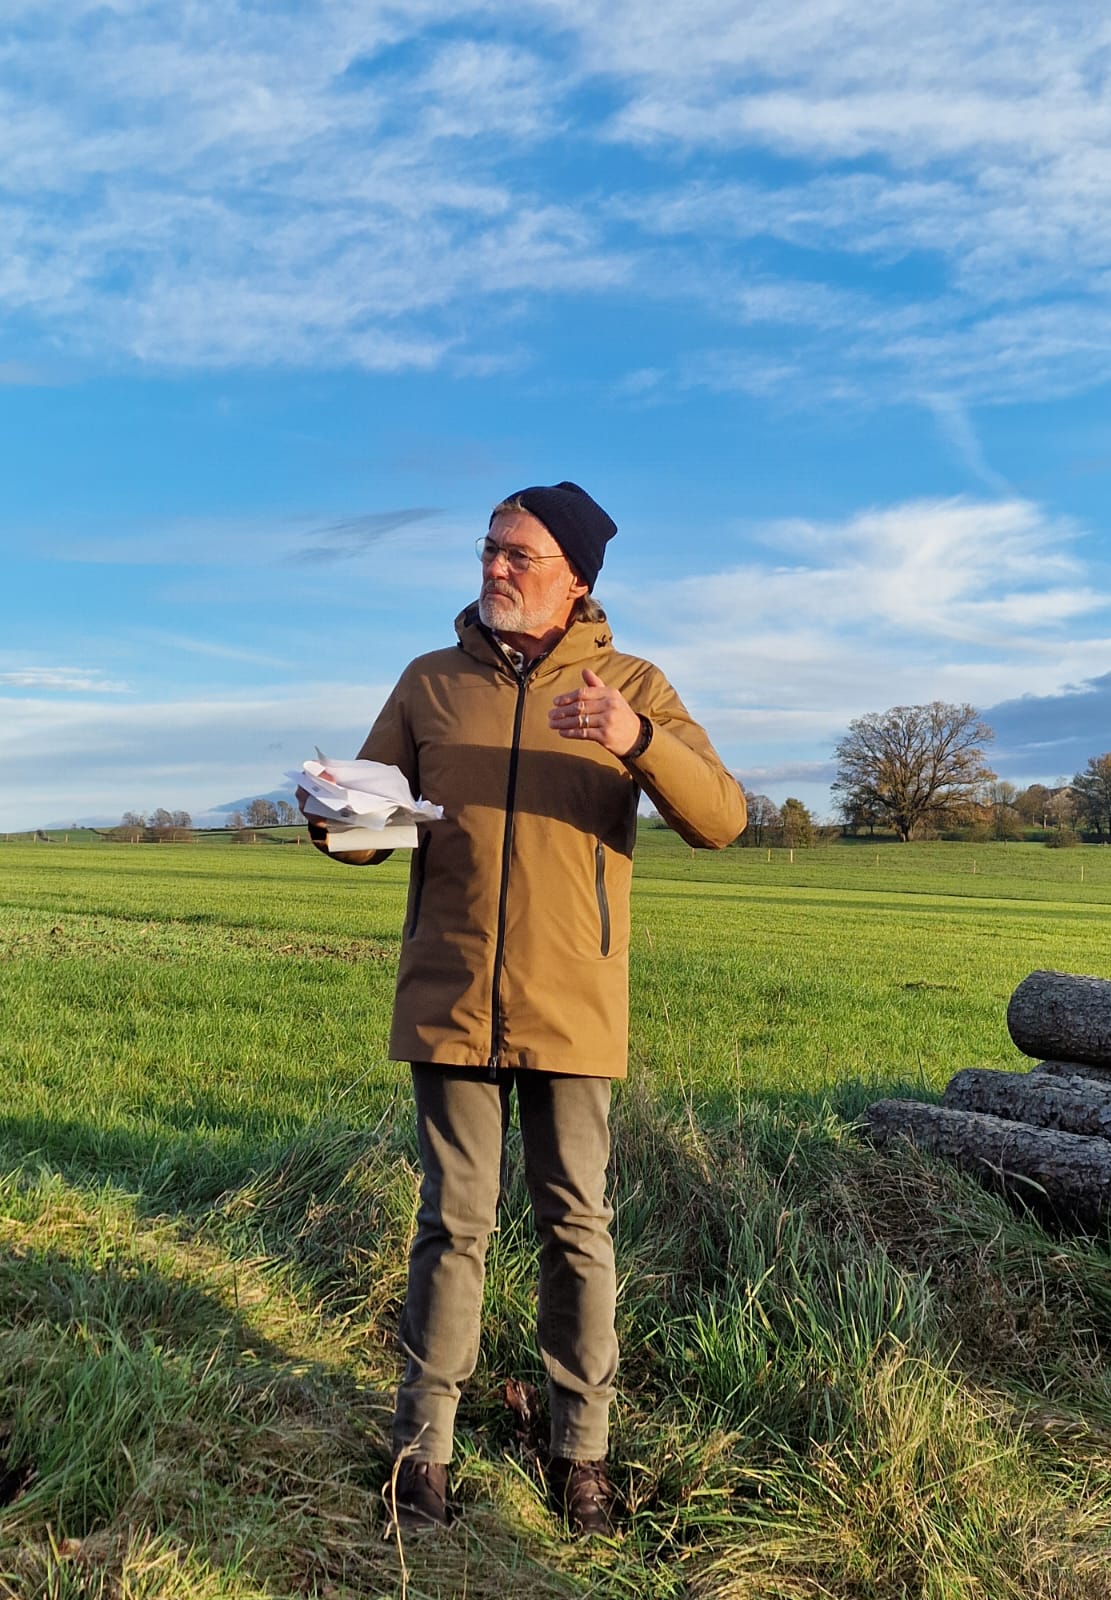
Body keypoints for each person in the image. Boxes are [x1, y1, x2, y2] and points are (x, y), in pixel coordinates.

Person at [307, 480, 745, 1536]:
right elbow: (372, 818)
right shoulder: (428, 682)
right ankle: (422, 1452)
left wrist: (639, 737)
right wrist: (337, 820)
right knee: (451, 1224)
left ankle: (580, 1454)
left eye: (519, 555)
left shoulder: (631, 682)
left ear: (578, 579)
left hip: (572, 1000)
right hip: (451, 991)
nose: (494, 568)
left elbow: (723, 818)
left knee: (576, 1228)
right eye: (488, 549)